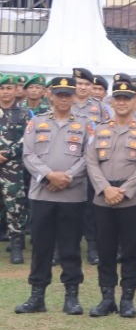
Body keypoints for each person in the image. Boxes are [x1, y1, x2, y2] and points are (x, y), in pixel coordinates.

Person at [14, 77, 90, 315]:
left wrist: (66, 177)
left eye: (68, 94)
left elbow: (89, 157)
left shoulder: (86, 124)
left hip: (72, 195)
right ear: (50, 95)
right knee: (41, 247)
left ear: (74, 97)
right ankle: (37, 296)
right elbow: (28, 155)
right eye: (59, 94)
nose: (64, 98)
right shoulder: (36, 123)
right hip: (42, 194)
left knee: (70, 247)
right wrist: (48, 176)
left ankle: (72, 297)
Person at [84, 80, 136, 318]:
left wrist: (124, 190)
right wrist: (105, 188)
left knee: (130, 251)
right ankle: (107, 298)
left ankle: (127, 298)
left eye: (127, 98)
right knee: (105, 250)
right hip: (103, 198)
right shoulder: (99, 129)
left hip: (131, 199)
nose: (123, 102)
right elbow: (91, 161)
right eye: (119, 98)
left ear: (134, 100)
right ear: (113, 101)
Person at [0, 74, 31, 265]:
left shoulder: (24, 114)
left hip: (12, 168)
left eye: (8, 88)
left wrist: (8, 153)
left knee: (15, 207)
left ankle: (16, 245)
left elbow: (27, 139)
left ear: (15, 91)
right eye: (2, 88)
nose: (5, 92)